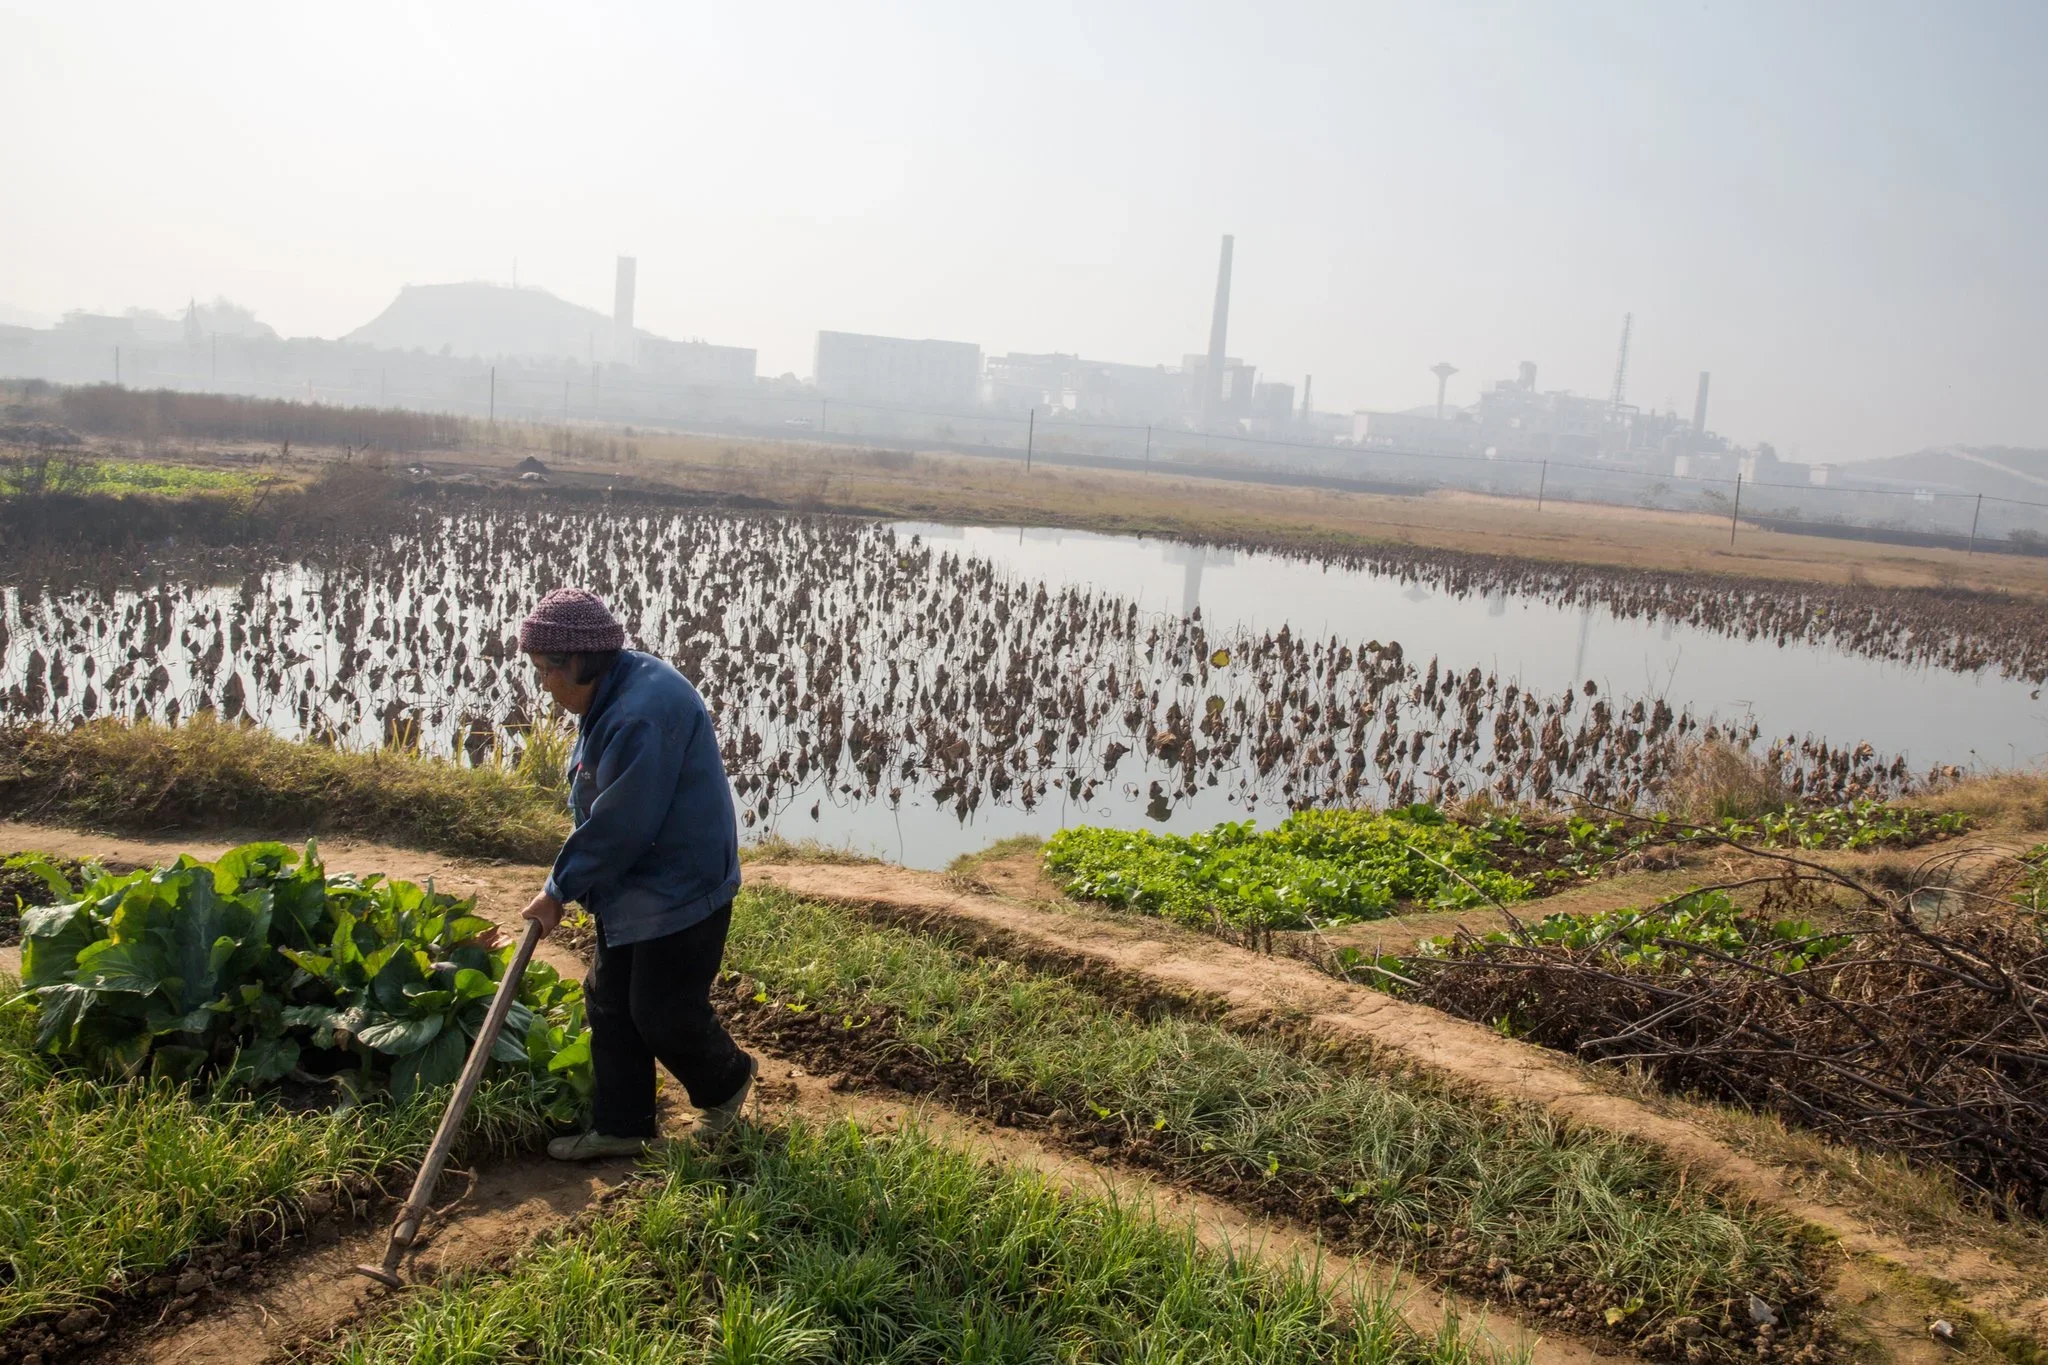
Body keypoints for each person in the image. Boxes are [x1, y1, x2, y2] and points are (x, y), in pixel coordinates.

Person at [513, 586, 756, 1159]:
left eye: (546, 671)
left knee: (662, 1010)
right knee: (608, 998)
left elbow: (620, 825)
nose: (543, 684)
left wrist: (558, 890)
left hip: (682, 885)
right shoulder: (616, 687)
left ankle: (728, 1082)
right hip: (638, 883)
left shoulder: (641, 714)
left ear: (578, 662)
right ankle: (624, 1126)